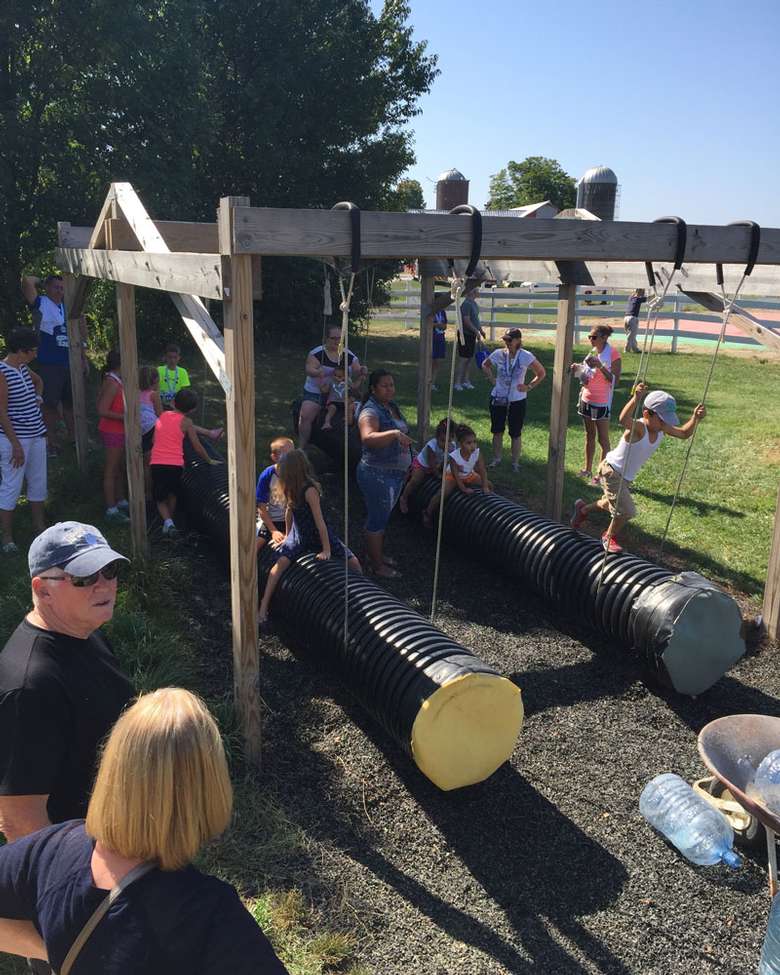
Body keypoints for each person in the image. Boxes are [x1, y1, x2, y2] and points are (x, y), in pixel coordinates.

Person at [0, 687, 289, 974]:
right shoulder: (211, 919)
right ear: (207, 789)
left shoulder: (53, 849)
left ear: (113, 770)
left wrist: (54, 950)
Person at [0, 522, 134, 842]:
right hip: (86, 863)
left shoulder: (85, 631)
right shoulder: (29, 687)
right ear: (43, 589)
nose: (103, 586)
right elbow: (18, 820)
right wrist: (77, 882)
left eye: (110, 570)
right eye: (84, 578)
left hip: (120, 836)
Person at [571, 384, 706, 552]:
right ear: (646, 414)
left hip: (625, 477)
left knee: (609, 502)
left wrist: (695, 418)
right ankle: (608, 536)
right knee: (626, 510)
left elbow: (684, 434)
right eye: (662, 419)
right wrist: (635, 399)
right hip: (611, 471)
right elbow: (623, 420)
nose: (665, 424)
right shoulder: (640, 429)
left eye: (667, 420)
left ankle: (582, 509)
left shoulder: (661, 428)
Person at [258, 450, 361, 630]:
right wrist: (289, 535)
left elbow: (319, 521)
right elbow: (289, 511)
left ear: (292, 470)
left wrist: (326, 549)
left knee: (354, 563)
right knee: (279, 565)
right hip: (300, 534)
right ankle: (262, 609)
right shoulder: (290, 486)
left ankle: (359, 602)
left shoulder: (309, 490)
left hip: (316, 532)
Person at [356, 370, 413, 577]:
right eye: (385, 386)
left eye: (392, 385)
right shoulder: (370, 412)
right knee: (377, 520)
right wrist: (394, 434)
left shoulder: (391, 407)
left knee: (379, 518)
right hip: (377, 474)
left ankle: (373, 555)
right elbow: (368, 437)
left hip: (394, 474)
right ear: (373, 389)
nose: (390, 389)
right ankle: (377, 566)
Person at [21, 273, 84, 456]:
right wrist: (43, 281)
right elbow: (27, 281)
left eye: (62, 288)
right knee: (49, 404)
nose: (60, 291)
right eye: (56, 287)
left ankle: (74, 439)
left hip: (69, 361)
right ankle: (51, 442)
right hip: (50, 363)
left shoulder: (68, 306)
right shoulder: (41, 303)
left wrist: (83, 356)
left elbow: (81, 330)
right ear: (47, 288)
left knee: (71, 404)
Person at [0, 328, 47, 554]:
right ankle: (7, 537)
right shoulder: (2, 371)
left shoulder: (23, 367)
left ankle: (40, 528)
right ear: (21, 351)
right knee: (12, 486)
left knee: (38, 482)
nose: (35, 355)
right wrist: (16, 444)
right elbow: (1, 411)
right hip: (15, 440)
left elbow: (40, 382)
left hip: (37, 434)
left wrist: (37, 397)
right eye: (33, 351)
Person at [150, 388, 221, 536]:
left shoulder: (162, 415)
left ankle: (167, 522)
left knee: (159, 496)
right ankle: (170, 522)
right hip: (176, 465)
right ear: (193, 409)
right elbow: (197, 446)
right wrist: (208, 459)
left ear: (173, 402)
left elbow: (154, 439)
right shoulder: (187, 422)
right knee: (173, 493)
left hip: (157, 463)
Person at [481, 328, 546, 472]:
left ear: (518, 340)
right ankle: (496, 459)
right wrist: (491, 378)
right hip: (498, 397)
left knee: (515, 432)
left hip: (517, 399)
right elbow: (485, 365)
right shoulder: (499, 354)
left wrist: (528, 386)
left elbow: (541, 372)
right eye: (505, 340)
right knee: (497, 430)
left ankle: (515, 462)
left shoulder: (525, 356)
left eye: (509, 340)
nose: (507, 343)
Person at [298, 326, 365, 448]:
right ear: (326, 339)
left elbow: (357, 369)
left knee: (357, 412)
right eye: (333, 338)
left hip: (341, 394)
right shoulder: (317, 353)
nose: (337, 341)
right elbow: (309, 368)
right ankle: (302, 447)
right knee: (306, 414)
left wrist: (362, 370)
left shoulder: (348, 355)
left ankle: (354, 447)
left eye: (340, 338)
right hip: (317, 391)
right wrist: (317, 372)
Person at [570, 324, 622, 482]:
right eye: (589, 337)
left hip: (602, 402)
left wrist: (600, 366)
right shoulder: (592, 352)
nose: (590, 340)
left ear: (604, 338)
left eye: (594, 337)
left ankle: (601, 474)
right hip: (587, 398)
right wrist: (577, 369)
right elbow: (586, 376)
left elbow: (615, 381)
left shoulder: (613, 354)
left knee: (603, 439)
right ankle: (587, 469)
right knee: (589, 435)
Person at [422, 423, 491, 527]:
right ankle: (428, 512)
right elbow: (456, 476)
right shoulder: (454, 457)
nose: (473, 445)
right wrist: (463, 489)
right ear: (460, 444)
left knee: (490, 484)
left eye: (474, 442)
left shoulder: (477, 453)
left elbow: (482, 470)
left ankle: (488, 511)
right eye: (468, 443)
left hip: (469, 474)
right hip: (453, 476)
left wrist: (485, 486)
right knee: (443, 493)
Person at [96, 350, 130, 523]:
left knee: (119, 467)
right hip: (112, 431)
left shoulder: (115, 379)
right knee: (111, 469)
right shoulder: (113, 382)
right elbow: (102, 409)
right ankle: (111, 508)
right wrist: (125, 417)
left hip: (119, 430)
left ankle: (121, 499)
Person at [398, 417, 454, 515]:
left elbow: (450, 460)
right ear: (436, 437)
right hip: (423, 464)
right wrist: (438, 475)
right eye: (442, 440)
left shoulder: (452, 446)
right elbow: (431, 463)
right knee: (416, 479)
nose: (445, 444)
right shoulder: (431, 446)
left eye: (448, 441)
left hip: (437, 464)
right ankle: (404, 497)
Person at [256, 436, 294, 552]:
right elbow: (261, 508)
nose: (290, 458)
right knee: (255, 547)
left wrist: (290, 532)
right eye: (285, 454)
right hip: (273, 520)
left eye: (292, 454)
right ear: (274, 457)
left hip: (293, 521)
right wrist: (273, 531)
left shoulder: (297, 474)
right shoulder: (267, 475)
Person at [454, 287, 486, 391]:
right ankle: (457, 382)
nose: (478, 292)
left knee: (469, 359)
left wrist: (480, 330)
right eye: (477, 290)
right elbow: (466, 321)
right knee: (464, 359)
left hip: (472, 335)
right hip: (465, 335)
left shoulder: (474, 304)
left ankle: (466, 381)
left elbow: (475, 319)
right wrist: (476, 331)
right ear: (472, 291)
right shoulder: (466, 304)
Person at [139, 365, 163, 495]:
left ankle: (145, 494)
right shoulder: (154, 395)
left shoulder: (134, 392)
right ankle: (151, 494)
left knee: (144, 465)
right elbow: (160, 414)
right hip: (151, 429)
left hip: (139, 429)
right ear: (155, 381)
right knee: (150, 464)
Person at [321, 363, 357, 431]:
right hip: (334, 401)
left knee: (349, 403)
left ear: (345, 376)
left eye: (339, 376)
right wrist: (321, 386)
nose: (336, 377)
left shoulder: (348, 381)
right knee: (332, 409)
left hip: (344, 401)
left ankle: (347, 418)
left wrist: (360, 379)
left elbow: (354, 387)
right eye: (335, 375)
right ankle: (327, 422)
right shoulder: (331, 381)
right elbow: (325, 391)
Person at [157, 343, 191, 409]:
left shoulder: (183, 372)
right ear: (166, 357)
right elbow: (155, 388)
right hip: (161, 404)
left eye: (175, 357)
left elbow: (184, 392)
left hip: (176, 405)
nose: (172, 360)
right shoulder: (159, 370)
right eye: (170, 357)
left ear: (179, 358)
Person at [429, 304, 448, 391]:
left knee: (437, 361)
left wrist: (437, 325)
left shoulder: (442, 312)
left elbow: (445, 326)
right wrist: (438, 325)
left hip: (440, 337)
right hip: (432, 337)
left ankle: (433, 382)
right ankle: (426, 381)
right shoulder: (431, 312)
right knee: (430, 361)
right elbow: (429, 323)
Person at [623, 288, 646, 353]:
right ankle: (626, 349)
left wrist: (637, 292)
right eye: (643, 291)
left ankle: (635, 348)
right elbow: (647, 299)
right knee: (631, 335)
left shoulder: (631, 298)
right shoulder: (639, 299)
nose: (644, 293)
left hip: (626, 318)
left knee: (632, 335)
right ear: (640, 292)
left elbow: (634, 294)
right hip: (632, 318)